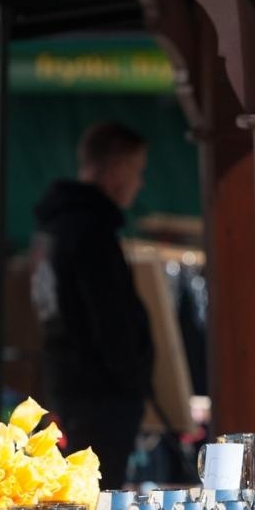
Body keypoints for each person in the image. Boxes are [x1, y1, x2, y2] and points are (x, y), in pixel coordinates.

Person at [32, 121, 154, 485]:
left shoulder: (58, 226)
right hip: (100, 394)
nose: (140, 182)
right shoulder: (90, 230)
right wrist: (131, 377)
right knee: (96, 497)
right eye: (137, 171)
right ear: (117, 170)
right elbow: (109, 316)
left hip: (71, 381)